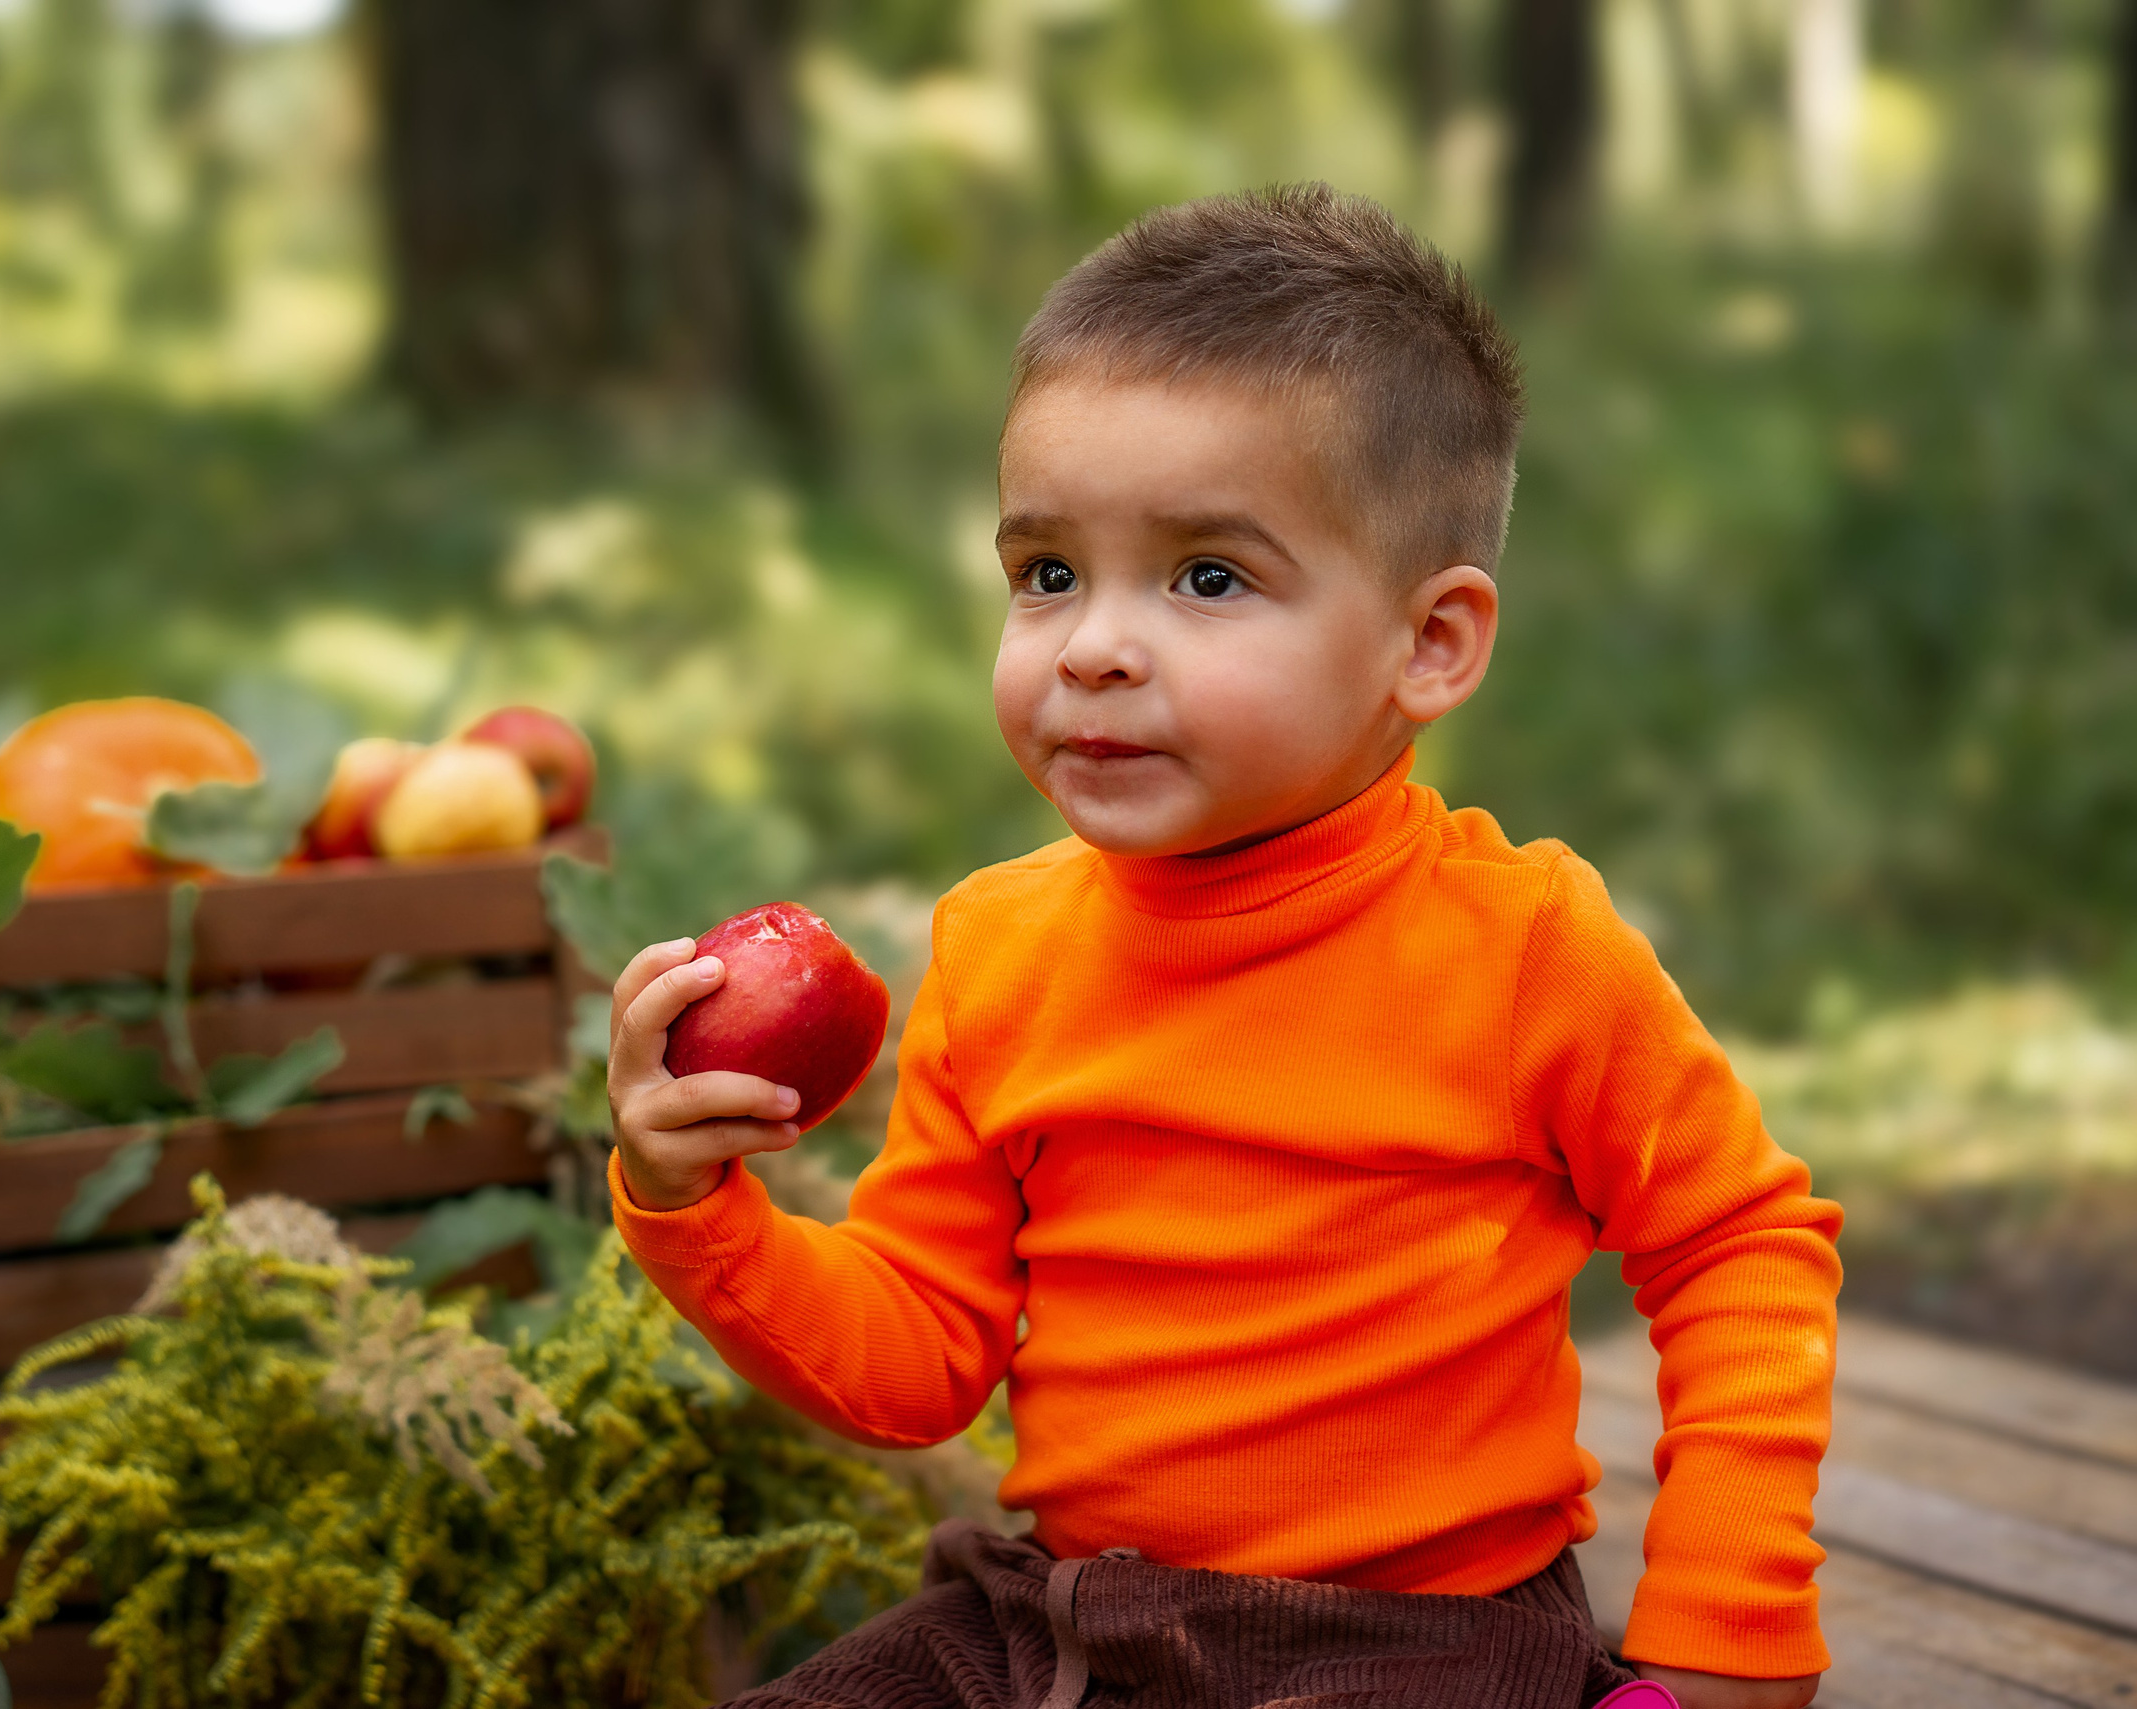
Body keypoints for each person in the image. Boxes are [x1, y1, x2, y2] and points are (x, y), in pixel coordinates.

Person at [602, 183, 1838, 1709]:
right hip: (1066, 1617)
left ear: (1429, 641)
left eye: (1207, 576)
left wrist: (1727, 1618)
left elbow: (1739, 1247)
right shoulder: (998, 950)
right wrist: (695, 1203)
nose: (1092, 643)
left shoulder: (1520, 945)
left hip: (1422, 1641)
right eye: (1047, 571)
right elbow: (917, 1351)